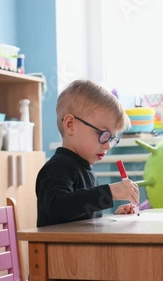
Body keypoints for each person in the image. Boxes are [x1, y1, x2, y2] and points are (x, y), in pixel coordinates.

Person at [36, 80, 140, 227]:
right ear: (70, 125)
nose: (108, 145)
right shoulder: (58, 167)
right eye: (103, 134)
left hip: (79, 249)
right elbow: (57, 208)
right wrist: (109, 192)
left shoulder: (85, 169)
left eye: (112, 138)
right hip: (57, 250)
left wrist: (115, 216)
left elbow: (83, 217)